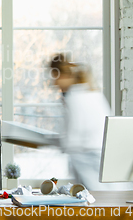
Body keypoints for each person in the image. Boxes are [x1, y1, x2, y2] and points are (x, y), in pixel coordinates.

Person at [49, 53, 111, 191]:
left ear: (63, 76)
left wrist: (50, 141)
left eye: (55, 77)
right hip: (102, 155)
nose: (54, 83)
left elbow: (72, 139)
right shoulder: (94, 93)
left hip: (88, 158)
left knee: (94, 202)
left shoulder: (74, 98)